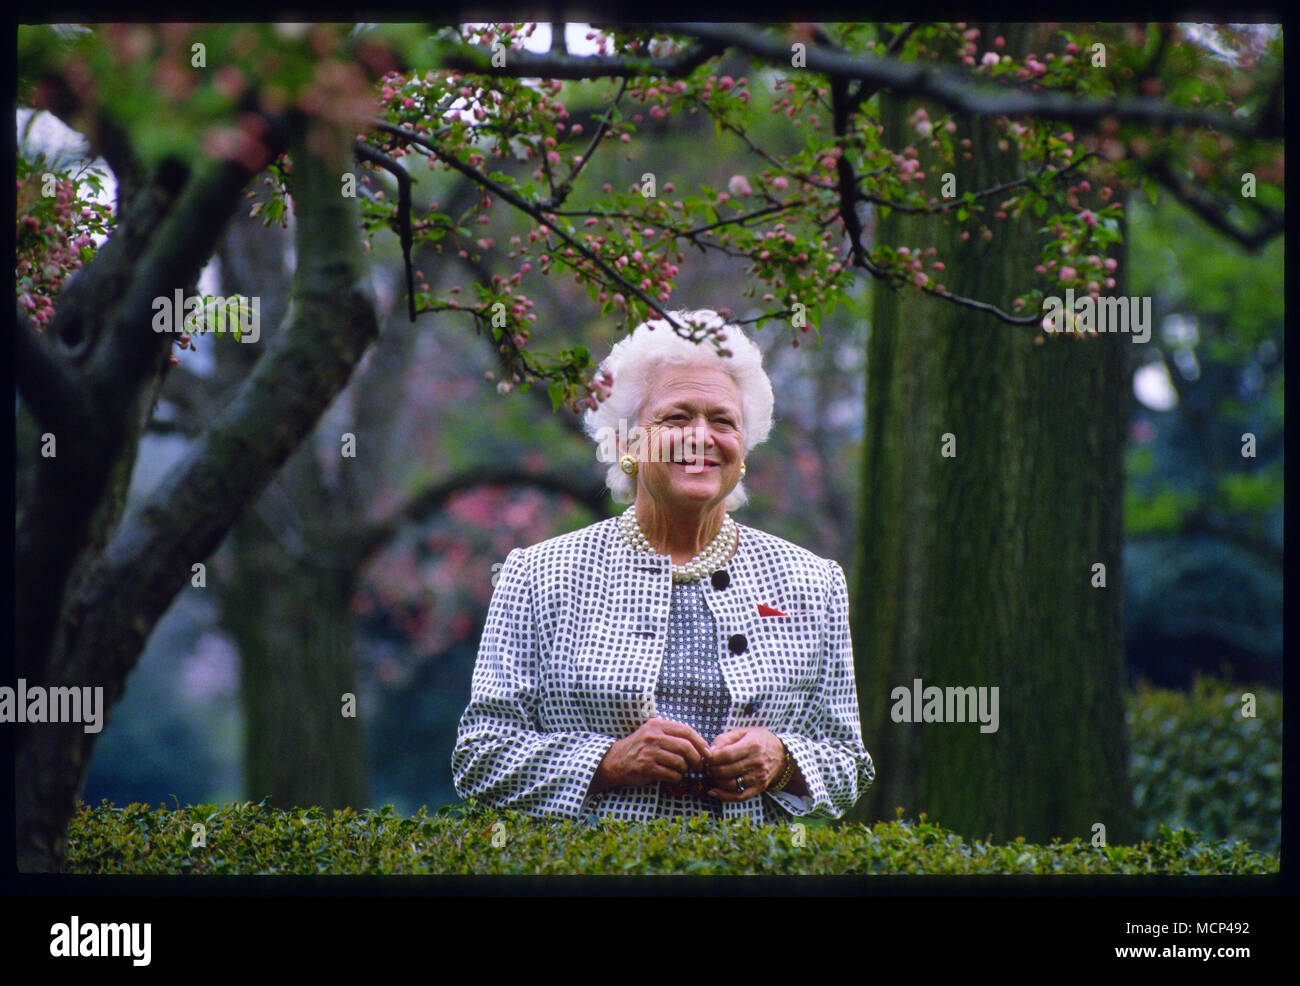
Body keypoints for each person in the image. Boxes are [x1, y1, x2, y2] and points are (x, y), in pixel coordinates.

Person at [452, 309, 874, 823]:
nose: (701, 436)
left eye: (723, 421)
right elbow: (479, 758)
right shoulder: (539, 576)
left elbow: (848, 760)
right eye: (676, 417)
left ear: (742, 450)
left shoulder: (813, 582)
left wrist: (782, 761)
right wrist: (606, 763)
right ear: (628, 442)